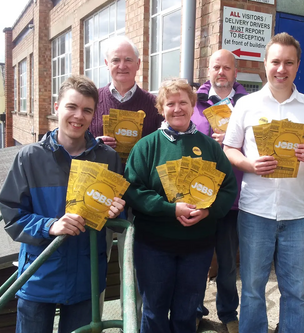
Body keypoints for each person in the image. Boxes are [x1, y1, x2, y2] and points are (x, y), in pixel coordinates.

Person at [0, 75, 126, 333]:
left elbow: (121, 217)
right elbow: (12, 216)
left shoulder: (108, 158)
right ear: (57, 107)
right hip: (38, 274)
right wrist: (50, 226)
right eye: (71, 107)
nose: (78, 116)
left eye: (87, 110)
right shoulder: (29, 158)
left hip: (86, 277)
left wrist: (117, 212)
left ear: (93, 115)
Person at [223, 32, 304, 333]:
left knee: (295, 291)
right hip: (256, 211)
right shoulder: (246, 104)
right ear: (264, 65)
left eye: (289, 63)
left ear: (297, 66)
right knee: (254, 289)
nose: (281, 69)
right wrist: (249, 164)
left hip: (297, 214)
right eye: (276, 62)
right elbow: (230, 148)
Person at [123, 78, 237, 333]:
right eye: (170, 103)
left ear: (192, 105)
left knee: (186, 313)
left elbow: (229, 187)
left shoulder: (209, 147)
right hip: (153, 245)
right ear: (161, 108)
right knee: (153, 312)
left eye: (183, 102)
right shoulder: (147, 146)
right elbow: (132, 189)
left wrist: (208, 211)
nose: (177, 109)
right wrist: (170, 209)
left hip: (198, 246)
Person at [89, 36, 163, 320]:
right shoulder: (92, 100)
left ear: (138, 65)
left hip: (138, 198)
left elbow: (161, 150)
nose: (122, 65)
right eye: (116, 60)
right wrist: (94, 142)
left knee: (132, 267)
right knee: (96, 262)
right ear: (107, 64)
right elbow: (78, 146)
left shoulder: (154, 105)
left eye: (128, 60)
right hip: (100, 196)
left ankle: (130, 323)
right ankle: (93, 320)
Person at [191, 49, 248, 333]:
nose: (221, 72)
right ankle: (196, 309)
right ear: (209, 71)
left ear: (235, 73)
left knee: (226, 264)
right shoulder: (194, 102)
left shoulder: (248, 104)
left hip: (231, 199)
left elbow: (260, 146)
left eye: (227, 68)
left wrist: (234, 140)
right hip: (197, 196)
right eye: (216, 67)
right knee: (197, 258)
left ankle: (228, 313)